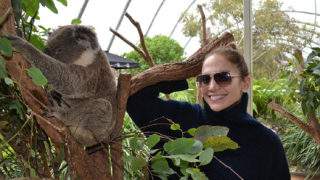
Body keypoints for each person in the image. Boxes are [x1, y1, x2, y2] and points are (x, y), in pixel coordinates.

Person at [126, 43, 291, 180]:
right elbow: (134, 99)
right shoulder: (181, 119)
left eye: (223, 77)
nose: (212, 87)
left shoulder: (266, 143)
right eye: (205, 79)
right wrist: (181, 71)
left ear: (245, 83)